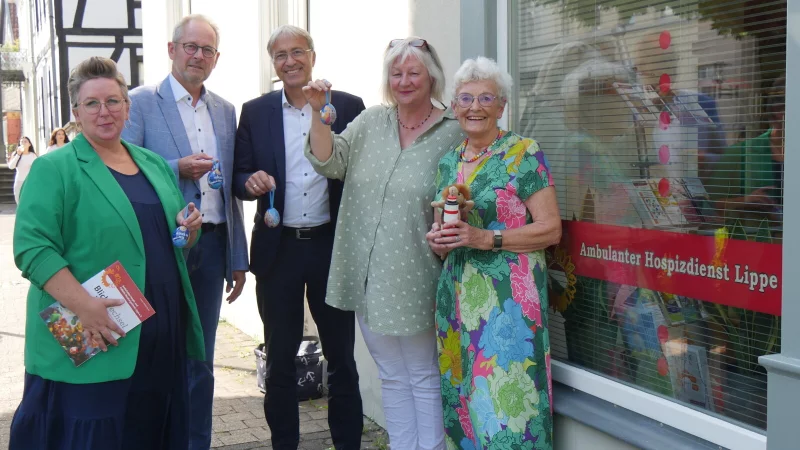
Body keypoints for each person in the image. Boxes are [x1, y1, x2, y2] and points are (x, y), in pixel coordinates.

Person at [9, 56, 205, 450]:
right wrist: (85, 306)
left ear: (128, 107)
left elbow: (168, 237)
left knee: (149, 429)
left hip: (159, 331)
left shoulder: (153, 164)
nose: (104, 111)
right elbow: (32, 247)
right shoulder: (54, 168)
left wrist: (189, 229)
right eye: (92, 103)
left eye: (113, 101)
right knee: (93, 433)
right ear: (76, 113)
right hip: (96, 330)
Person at [304, 37, 464, 450]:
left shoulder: (453, 132)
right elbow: (329, 161)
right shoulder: (372, 121)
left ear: (432, 77)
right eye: (396, 73)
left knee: (424, 376)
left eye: (413, 73)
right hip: (368, 275)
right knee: (391, 374)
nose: (404, 81)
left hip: (418, 273)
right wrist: (318, 113)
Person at [232, 25, 365, 450]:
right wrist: (249, 181)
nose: (290, 61)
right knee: (280, 361)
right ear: (273, 63)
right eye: (280, 55)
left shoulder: (347, 106)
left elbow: (362, 172)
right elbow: (238, 175)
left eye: (297, 52)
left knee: (341, 358)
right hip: (279, 249)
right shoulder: (255, 112)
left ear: (312, 56)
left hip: (331, 247)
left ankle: (347, 443)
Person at [121, 14, 248, 449]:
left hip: (211, 248)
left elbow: (227, 191)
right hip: (161, 247)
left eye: (206, 49)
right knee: (155, 352)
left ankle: (196, 442)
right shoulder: (139, 102)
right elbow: (125, 169)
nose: (198, 55)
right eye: (190, 46)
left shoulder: (225, 110)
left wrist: (236, 258)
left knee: (201, 358)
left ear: (216, 58)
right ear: (171, 50)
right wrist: (177, 168)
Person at [426, 57, 562, 449]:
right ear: (454, 108)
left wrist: (487, 238)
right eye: (466, 98)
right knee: (465, 407)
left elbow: (551, 228)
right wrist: (438, 241)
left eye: (486, 98)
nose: (475, 107)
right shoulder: (449, 162)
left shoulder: (523, 152)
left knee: (508, 410)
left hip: (507, 307)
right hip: (457, 298)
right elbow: (446, 230)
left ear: (501, 106)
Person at [7, 136, 36, 203]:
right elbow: (11, 166)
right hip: (19, 181)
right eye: (21, 142)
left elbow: (36, 168)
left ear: (29, 144)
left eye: (25, 141)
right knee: (19, 200)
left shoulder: (33, 155)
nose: (23, 143)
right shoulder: (16, 154)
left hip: (29, 181)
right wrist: (18, 155)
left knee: (29, 200)